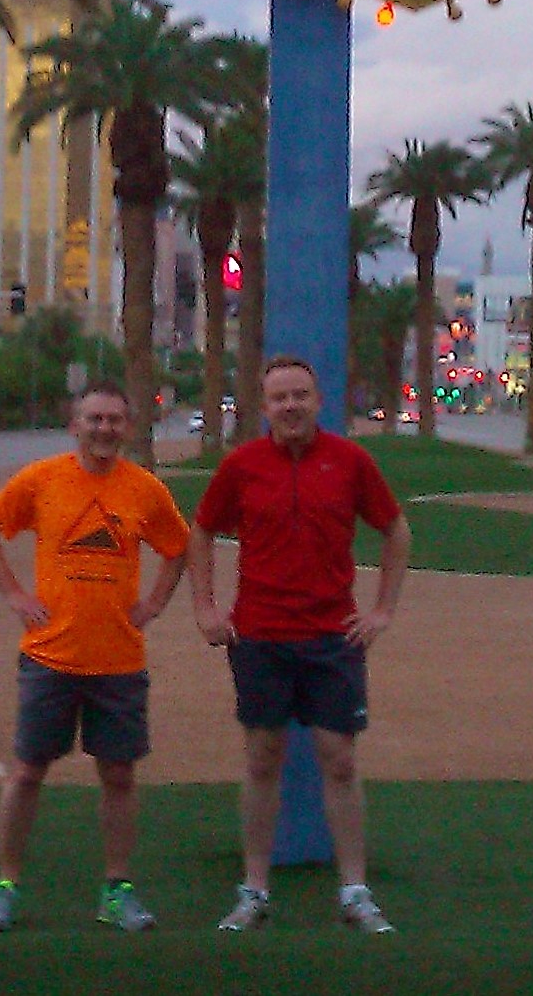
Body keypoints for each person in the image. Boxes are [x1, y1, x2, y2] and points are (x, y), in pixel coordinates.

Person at [187, 355, 412, 934]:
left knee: (339, 760)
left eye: (301, 396)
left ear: (318, 401)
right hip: (259, 635)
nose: (291, 406)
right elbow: (202, 529)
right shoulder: (242, 466)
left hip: (331, 639)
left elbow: (394, 529)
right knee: (263, 758)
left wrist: (382, 609)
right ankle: (255, 888)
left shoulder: (350, 461)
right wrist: (206, 607)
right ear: (264, 407)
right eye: (280, 397)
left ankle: (355, 891)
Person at [0, 382, 189, 933]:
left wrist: (156, 603)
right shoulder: (41, 480)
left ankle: (116, 889)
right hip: (50, 657)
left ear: (128, 427)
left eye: (115, 420)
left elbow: (178, 546)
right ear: (75, 424)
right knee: (27, 771)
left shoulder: (144, 490)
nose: (105, 429)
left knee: (118, 775)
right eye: (94, 419)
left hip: (118, 661)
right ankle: (6, 886)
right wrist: (16, 596)